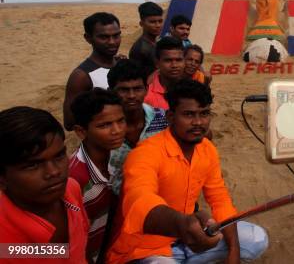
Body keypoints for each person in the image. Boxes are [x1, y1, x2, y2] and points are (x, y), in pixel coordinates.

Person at [106, 79, 269, 263]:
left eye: (204, 113)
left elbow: (219, 198)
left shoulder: (207, 149)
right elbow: (141, 202)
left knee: (257, 239)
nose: (198, 122)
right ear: (170, 117)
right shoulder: (144, 153)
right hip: (147, 249)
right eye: (189, 114)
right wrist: (184, 225)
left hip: (191, 240)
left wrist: (233, 250)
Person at [0, 106, 89, 263]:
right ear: (2, 177)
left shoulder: (71, 189)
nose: (54, 172)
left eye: (59, 156)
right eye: (32, 165)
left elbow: (75, 249)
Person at [69, 88, 127, 261]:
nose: (117, 130)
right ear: (81, 131)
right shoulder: (75, 180)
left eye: (121, 121)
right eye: (104, 125)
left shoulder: (115, 158)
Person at [107, 59, 168, 195]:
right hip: (114, 200)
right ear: (111, 91)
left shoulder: (163, 119)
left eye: (137, 89)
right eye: (124, 90)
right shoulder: (101, 127)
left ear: (147, 89)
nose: (132, 96)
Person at [63, 12, 122, 130]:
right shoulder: (81, 76)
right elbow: (69, 123)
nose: (112, 42)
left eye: (116, 36)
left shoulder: (121, 64)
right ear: (88, 38)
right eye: (104, 37)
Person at [144, 36, 185, 110]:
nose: (174, 65)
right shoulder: (147, 96)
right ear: (157, 63)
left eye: (178, 60)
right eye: (168, 60)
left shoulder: (192, 91)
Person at [129, 2, 164, 78]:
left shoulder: (155, 43)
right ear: (141, 23)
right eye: (152, 22)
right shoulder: (140, 49)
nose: (157, 25)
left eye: (160, 21)